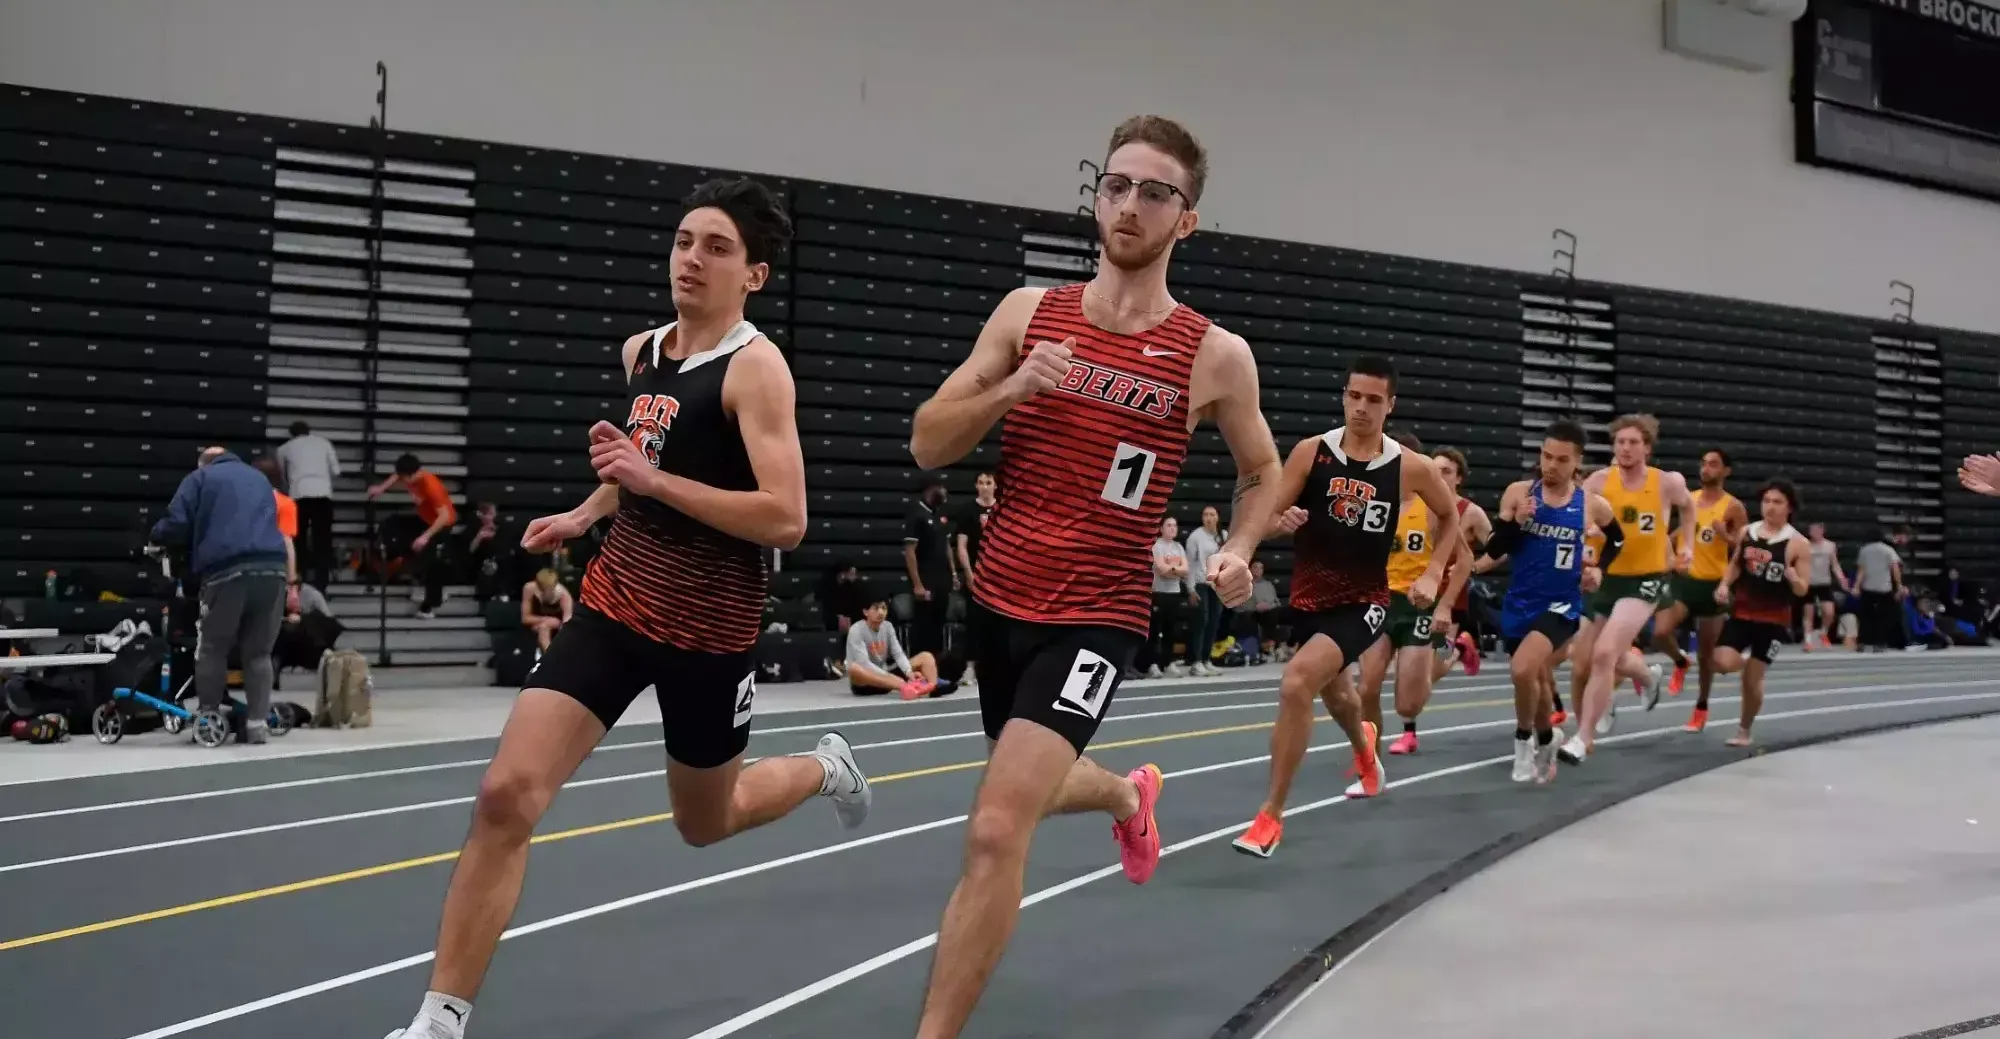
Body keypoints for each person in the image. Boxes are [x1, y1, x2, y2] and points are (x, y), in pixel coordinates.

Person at [382, 178, 870, 1039]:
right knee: (505, 794)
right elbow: (642, 464)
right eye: (684, 240)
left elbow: (785, 516)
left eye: (716, 248)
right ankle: (439, 1019)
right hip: (615, 605)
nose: (692, 259)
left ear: (753, 274)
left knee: (707, 821)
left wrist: (653, 481)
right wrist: (585, 512)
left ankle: (824, 766)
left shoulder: (757, 370)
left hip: (709, 634)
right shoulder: (642, 350)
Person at [905, 114, 1283, 1039]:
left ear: (1185, 220)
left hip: (1098, 613)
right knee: (1027, 783)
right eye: (1114, 184)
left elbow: (1263, 471)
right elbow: (927, 441)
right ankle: (1124, 793)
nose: (1128, 204)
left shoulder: (1213, 354)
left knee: (998, 825)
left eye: (1154, 192)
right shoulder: (1026, 315)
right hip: (1000, 598)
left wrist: (1240, 548)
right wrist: (1012, 387)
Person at [1233, 355, 1462, 855]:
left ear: (1390, 405)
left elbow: (1451, 519)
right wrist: (1279, 524)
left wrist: (1431, 572)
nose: (1361, 407)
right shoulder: (1312, 452)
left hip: (1365, 601)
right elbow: (1264, 517)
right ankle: (1366, 754)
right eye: (1354, 396)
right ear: (1343, 396)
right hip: (1308, 599)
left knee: (1297, 682)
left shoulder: (1410, 466)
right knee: (1338, 696)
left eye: (1373, 400)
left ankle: (1270, 816)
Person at [1477, 420, 1617, 783]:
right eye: (1546, 456)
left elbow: (1617, 539)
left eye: (1561, 459)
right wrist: (1516, 522)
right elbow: (1494, 547)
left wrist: (1598, 570)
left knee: (1523, 669)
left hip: (1561, 604)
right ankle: (1545, 735)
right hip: (1519, 602)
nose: (1551, 465)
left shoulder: (1590, 504)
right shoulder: (1519, 493)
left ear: (1577, 461)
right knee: (1534, 677)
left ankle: (1523, 742)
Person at [1561, 414, 1682, 763]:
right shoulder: (1595, 487)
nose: (1625, 449)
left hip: (1640, 580)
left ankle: (1583, 735)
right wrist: (1586, 551)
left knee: (1603, 654)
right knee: (1582, 660)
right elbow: (1578, 526)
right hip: (1601, 578)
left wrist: (1682, 549)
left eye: (1633, 443)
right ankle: (1647, 676)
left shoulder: (1657, 486)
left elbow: (1671, 536)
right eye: (1620, 443)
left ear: (1646, 448)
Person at [149, 446, 290, 744]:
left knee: (212, 648)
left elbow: (177, 522)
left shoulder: (200, 478)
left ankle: (209, 718)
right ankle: (257, 725)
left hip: (227, 570)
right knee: (259, 653)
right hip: (274, 570)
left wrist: (155, 538)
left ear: (204, 464)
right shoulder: (259, 479)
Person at [1355, 432, 1472, 757]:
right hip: (1379, 602)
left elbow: (1465, 560)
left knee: (1408, 705)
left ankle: (1452, 652)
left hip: (1418, 606)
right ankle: (1370, 759)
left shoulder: (1433, 508)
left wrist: (1444, 606)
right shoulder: (1371, 502)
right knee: (1366, 687)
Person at [1709, 479, 1811, 746]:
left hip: (1773, 620)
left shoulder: (1797, 543)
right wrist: (1724, 585)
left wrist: (1794, 579)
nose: (1770, 507)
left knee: (1752, 682)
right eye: (1767, 501)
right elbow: (1735, 564)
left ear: (1789, 507)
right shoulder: (1747, 532)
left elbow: (1803, 589)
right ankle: (1748, 665)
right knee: (1720, 661)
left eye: (1777, 502)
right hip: (1743, 613)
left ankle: (1744, 730)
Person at [1653, 448, 1746, 729]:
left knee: (1707, 655)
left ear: (1726, 471)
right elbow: (1678, 532)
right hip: (1684, 581)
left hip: (1712, 586)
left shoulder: (1733, 507)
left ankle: (1701, 706)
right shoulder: (1688, 499)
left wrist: (1726, 536)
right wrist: (1667, 549)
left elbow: (1744, 549)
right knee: (1660, 633)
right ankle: (1680, 661)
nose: (1706, 468)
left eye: (1713, 464)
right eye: (1704, 463)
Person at [366, 453, 457, 620]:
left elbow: (443, 516)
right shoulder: (407, 474)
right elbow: (396, 475)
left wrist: (425, 537)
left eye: (405, 478)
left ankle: (429, 606)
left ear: (412, 474)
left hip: (441, 524)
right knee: (396, 531)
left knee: (432, 562)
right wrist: (381, 488)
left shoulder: (431, 486)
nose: (403, 481)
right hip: (424, 520)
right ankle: (421, 581)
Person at [1428, 446, 1488, 683]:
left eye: (1447, 471)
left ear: (1459, 478)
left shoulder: (1471, 512)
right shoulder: (1418, 504)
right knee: (1414, 668)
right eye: (1435, 471)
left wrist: (1473, 567)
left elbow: (1498, 550)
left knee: (1435, 669)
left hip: (1450, 596)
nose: (1440, 476)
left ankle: (1459, 650)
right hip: (1418, 591)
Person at [275, 419, 340, 588]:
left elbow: (283, 476)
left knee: (298, 540)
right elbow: (336, 471)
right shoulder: (324, 443)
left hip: (298, 495)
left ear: (292, 434)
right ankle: (322, 584)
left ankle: (299, 580)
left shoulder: (284, 449)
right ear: (309, 431)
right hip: (323, 495)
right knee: (322, 540)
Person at [846, 596, 943, 699]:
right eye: (875, 608)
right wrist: (891, 678)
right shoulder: (856, 630)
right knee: (854, 668)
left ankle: (932, 688)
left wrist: (908, 672)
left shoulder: (888, 626)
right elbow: (864, 663)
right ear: (866, 612)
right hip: (867, 683)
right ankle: (907, 687)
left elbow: (898, 653)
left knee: (926, 657)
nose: (881, 612)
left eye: (884, 608)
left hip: (888, 679)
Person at [1802, 522, 1846, 651]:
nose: (1812, 533)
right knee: (1808, 614)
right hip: (1809, 583)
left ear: (1822, 530)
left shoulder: (1830, 546)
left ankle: (1823, 632)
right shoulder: (1805, 545)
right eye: (1811, 530)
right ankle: (1808, 641)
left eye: (1815, 530)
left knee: (1829, 612)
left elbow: (1835, 565)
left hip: (1824, 583)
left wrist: (1842, 578)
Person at [518, 568, 572, 653]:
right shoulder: (529, 588)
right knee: (544, 627)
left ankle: (552, 656)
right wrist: (547, 620)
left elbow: (567, 624)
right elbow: (525, 618)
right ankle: (548, 656)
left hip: (558, 625)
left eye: (550, 589)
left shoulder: (564, 595)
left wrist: (557, 624)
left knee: (546, 628)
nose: (546, 592)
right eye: (542, 589)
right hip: (537, 624)